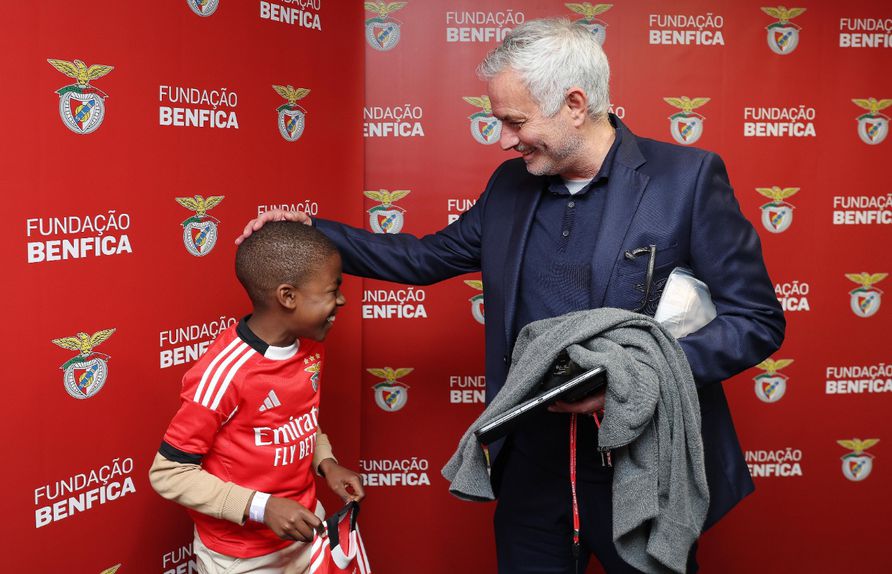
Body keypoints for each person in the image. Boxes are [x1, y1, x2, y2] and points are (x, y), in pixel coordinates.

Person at [237, 18, 784, 574]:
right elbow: (424, 258)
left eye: (514, 121)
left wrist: (638, 377)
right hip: (531, 468)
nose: (502, 139)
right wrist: (311, 231)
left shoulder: (686, 180)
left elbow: (757, 321)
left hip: (644, 468)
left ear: (575, 104)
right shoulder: (509, 185)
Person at [150, 222, 365, 574]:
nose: (341, 299)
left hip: (306, 531)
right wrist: (261, 507)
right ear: (288, 296)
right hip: (242, 556)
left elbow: (296, 418)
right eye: (332, 290)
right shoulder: (224, 373)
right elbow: (168, 473)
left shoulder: (309, 346)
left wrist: (326, 462)